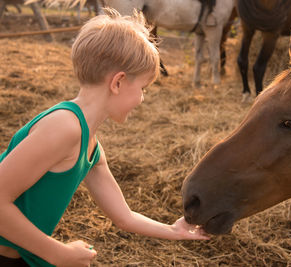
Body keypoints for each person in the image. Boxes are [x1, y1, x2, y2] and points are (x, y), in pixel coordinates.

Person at [0, 8, 209, 267]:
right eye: (142, 88)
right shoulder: (65, 127)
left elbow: (124, 217)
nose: (142, 99)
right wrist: (57, 253)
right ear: (118, 82)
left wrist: (174, 231)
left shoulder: (91, 146)